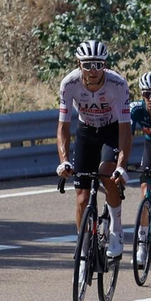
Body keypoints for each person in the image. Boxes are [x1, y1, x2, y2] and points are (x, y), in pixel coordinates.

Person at [55, 40, 132, 260]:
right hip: (86, 131)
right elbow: (63, 126)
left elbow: (126, 129)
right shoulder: (69, 84)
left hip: (111, 130)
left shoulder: (117, 84)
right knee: (81, 197)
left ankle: (116, 231)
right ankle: (83, 243)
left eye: (98, 64)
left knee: (107, 173)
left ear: (105, 64)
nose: (93, 70)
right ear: (79, 64)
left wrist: (122, 166)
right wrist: (64, 160)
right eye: (88, 65)